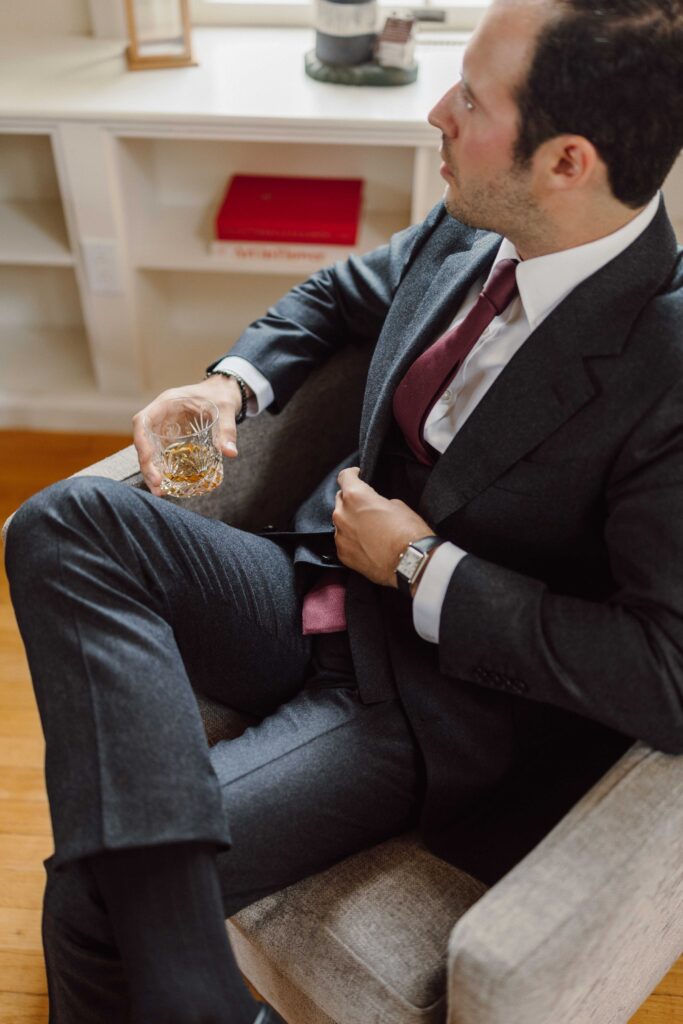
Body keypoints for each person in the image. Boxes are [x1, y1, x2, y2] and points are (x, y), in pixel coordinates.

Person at [5, 0, 683, 1020]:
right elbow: (337, 296)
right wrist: (229, 385)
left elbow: (663, 674)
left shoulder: (664, 367)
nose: (436, 113)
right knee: (61, 522)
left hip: (424, 700)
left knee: (95, 894)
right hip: (306, 585)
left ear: (566, 161)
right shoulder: (475, 224)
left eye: (470, 99)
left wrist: (421, 568)